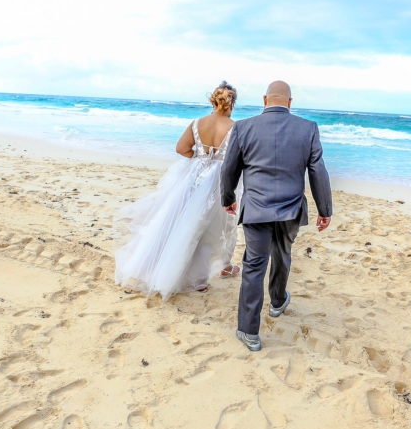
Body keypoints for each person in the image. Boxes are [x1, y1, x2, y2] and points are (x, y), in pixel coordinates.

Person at [220, 81, 332, 352]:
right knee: (283, 254)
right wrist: (325, 209)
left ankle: (249, 332)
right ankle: (278, 300)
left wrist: (228, 198)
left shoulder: (244, 127)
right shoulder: (308, 128)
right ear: (290, 102)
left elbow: (229, 168)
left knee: (255, 265)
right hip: (291, 208)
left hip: (257, 208)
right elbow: (317, 171)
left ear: (264, 99)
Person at [113, 82, 242, 298]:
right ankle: (205, 277)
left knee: (182, 222)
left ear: (213, 100)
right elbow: (238, 157)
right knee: (214, 228)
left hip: (194, 177)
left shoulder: (197, 123)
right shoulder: (235, 127)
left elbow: (181, 148)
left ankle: (163, 268)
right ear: (232, 103)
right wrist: (218, 164)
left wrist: (201, 160)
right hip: (220, 180)